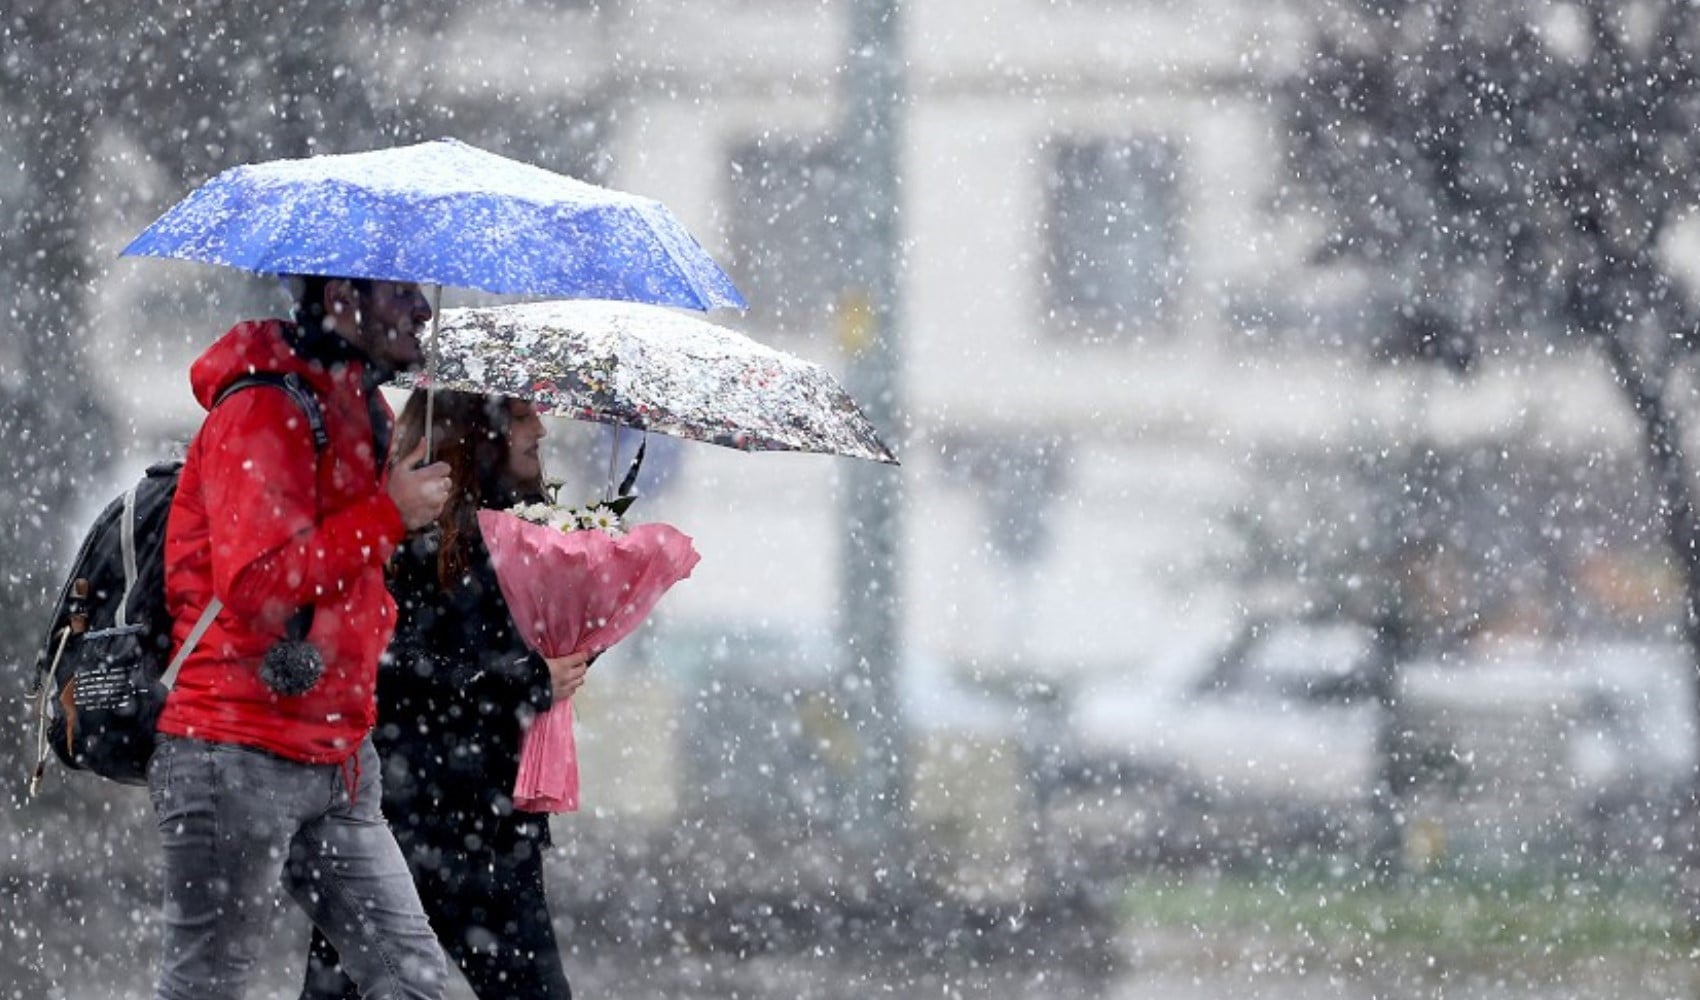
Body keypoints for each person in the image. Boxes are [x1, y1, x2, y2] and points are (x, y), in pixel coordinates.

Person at [152, 275, 453, 1000]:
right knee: (209, 987)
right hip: (236, 748)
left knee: (412, 982)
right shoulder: (263, 406)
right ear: (341, 297)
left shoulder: (360, 406)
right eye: (398, 292)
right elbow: (256, 583)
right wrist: (387, 515)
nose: (422, 308)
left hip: (340, 754)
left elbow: (350, 570)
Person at [300, 389, 590, 1000]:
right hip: (398, 820)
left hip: (492, 827)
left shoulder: (530, 531)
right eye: (519, 417)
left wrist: (577, 641)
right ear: (475, 432)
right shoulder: (404, 533)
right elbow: (390, 668)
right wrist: (521, 681)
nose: (539, 428)